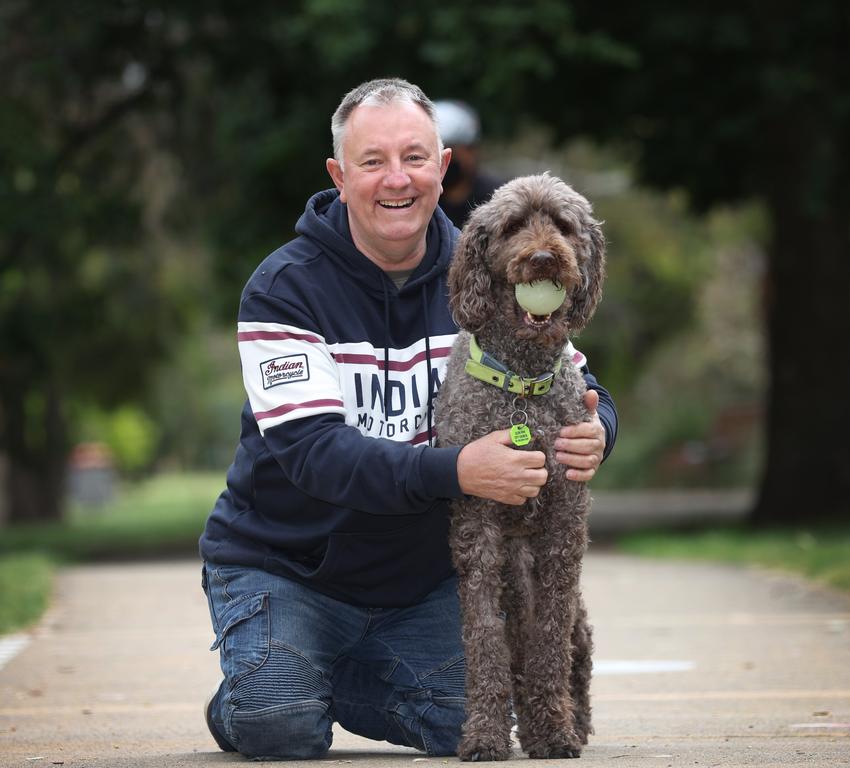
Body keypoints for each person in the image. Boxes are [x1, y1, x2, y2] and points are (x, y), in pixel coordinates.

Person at [199, 77, 618, 760]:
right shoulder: (284, 289)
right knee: (278, 722)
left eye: (416, 158)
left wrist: (602, 429)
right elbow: (315, 454)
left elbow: (569, 372)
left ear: (444, 167)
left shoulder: (486, 263)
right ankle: (266, 683)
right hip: (290, 567)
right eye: (373, 162)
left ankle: (316, 677)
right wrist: (456, 470)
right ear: (339, 176)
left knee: (476, 725)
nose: (398, 179)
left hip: (417, 582)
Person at [433, 99, 504, 228]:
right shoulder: (423, 201)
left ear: (471, 151)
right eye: (435, 151)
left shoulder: (497, 199)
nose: (443, 160)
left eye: (449, 149)